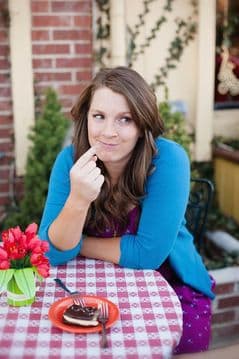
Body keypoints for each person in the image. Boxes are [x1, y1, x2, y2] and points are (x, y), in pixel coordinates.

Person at [39, 66, 215, 354]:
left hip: (172, 287)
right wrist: (78, 200)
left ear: (143, 124)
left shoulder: (168, 159)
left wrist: (77, 244)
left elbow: (147, 254)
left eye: (125, 119)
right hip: (94, 287)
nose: (109, 132)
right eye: (99, 116)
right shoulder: (70, 161)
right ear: (86, 118)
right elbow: (52, 253)